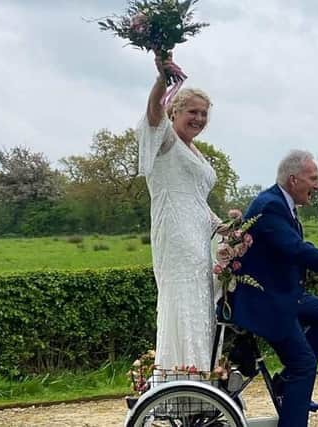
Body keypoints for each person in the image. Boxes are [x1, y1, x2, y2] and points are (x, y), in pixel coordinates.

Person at [228, 149, 318, 427]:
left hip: (282, 295)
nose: (317, 185)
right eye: (313, 179)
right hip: (266, 303)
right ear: (294, 180)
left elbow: (298, 247)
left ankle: (284, 382)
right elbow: (295, 249)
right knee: (304, 365)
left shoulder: (281, 203)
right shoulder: (271, 206)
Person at [137, 52, 224, 372]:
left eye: (204, 114)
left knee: (201, 308)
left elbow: (197, 201)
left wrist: (225, 227)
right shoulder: (166, 140)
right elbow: (151, 114)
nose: (199, 119)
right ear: (174, 111)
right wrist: (162, 79)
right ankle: (179, 385)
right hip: (175, 236)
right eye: (192, 112)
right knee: (183, 304)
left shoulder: (195, 150)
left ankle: (202, 386)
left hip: (201, 239)